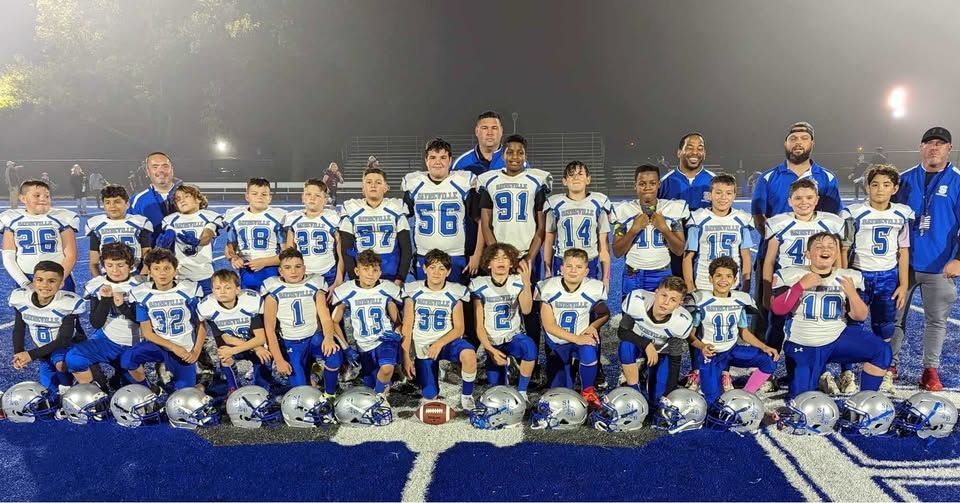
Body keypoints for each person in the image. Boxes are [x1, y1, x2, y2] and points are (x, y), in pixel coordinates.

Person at [769, 232, 891, 398]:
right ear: (808, 254)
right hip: (804, 342)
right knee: (801, 400)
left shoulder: (848, 277)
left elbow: (860, 316)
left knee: (881, 350)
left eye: (830, 247)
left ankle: (865, 400)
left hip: (837, 337)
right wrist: (800, 286)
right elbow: (778, 309)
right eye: (819, 247)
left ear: (836, 253)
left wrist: (852, 295)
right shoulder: (791, 274)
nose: (825, 250)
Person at [890, 127, 960, 391]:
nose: (934, 147)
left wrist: (959, 259)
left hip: (940, 265)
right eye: (929, 143)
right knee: (894, 317)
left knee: (936, 320)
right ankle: (889, 364)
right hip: (903, 264)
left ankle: (930, 369)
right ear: (920, 147)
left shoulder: (957, 180)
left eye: (940, 144)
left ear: (948, 149)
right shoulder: (904, 180)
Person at [761, 179, 844, 392]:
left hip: (819, 283)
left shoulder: (830, 223)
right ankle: (768, 370)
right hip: (787, 282)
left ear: (817, 200)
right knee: (776, 327)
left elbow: (836, 257)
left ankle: (819, 371)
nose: (803, 202)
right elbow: (769, 260)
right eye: (798, 198)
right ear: (789, 201)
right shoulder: (780, 222)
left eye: (809, 197)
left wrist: (839, 281)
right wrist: (767, 289)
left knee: (818, 327)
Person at [478, 134, 552, 375]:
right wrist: (496, 253)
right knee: (496, 303)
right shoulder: (489, 181)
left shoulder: (536, 181)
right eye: (510, 152)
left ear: (526, 155)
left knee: (530, 309)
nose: (515, 156)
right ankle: (497, 355)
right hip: (500, 257)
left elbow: (541, 226)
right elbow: (486, 223)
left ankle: (530, 359)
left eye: (520, 152)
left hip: (525, 254)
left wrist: (529, 257)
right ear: (503, 155)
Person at [752, 122, 843, 312]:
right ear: (785, 144)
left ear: (812, 143)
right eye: (793, 139)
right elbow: (759, 217)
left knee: (813, 312)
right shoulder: (768, 177)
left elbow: (835, 220)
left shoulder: (827, 177)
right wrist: (780, 242)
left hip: (816, 261)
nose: (798, 143)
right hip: (776, 259)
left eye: (804, 138)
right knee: (768, 314)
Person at [840, 164, 913, 393]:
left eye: (886, 184)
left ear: (895, 188)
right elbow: (844, 248)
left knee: (884, 328)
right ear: (866, 187)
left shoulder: (901, 213)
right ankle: (847, 373)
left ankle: (881, 369)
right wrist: (844, 279)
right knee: (852, 326)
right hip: (859, 274)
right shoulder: (854, 212)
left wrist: (903, 284)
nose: (880, 189)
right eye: (874, 184)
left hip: (888, 276)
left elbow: (904, 250)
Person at [688, 256, 778, 405]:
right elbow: (690, 335)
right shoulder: (701, 300)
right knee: (713, 401)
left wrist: (764, 346)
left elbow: (743, 332)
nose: (723, 280)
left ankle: (746, 395)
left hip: (731, 350)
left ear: (735, 279)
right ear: (710, 279)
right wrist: (702, 347)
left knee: (769, 360)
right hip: (711, 355)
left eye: (728, 276)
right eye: (718, 275)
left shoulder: (738, 300)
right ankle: (702, 376)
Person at [400, 249, 478, 410]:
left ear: (448, 272)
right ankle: (433, 374)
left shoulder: (455, 292)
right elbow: (407, 327)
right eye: (433, 267)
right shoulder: (413, 291)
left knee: (469, 355)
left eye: (442, 268)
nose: (437, 272)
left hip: (448, 342)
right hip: (423, 345)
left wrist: (439, 343)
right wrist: (406, 357)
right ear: (424, 269)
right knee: (429, 394)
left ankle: (467, 396)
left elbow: (459, 328)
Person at [402, 137, 484, 284]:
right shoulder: (414, 183)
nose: (437, 162)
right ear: (426, 160)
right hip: (424, 256)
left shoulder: (464, 182)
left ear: (450, 160)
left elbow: (481, 221)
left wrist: (477, 255)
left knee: (457, 301)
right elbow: (401, 221)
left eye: (443, 157)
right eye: (433, 157)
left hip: (456, 255)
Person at [122, 249, 205, 392]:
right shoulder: (142, 294)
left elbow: (201, 324)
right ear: (149, 272)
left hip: (184, 347)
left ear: (175, 271)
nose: (162, 273)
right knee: (127, 359)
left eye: (167, 268)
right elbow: (147, 333)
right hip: (159, 346)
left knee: (184, 392)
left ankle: (202, 383)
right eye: (157, 268)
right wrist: (173, 347)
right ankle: (148, 389)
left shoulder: (188, 290)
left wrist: (196, 351)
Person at [537, 248, 609, 408]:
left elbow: (604, 313)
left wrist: (593, 326)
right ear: (561, 268)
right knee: (560, 394)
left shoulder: (593, 288)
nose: (573, 271)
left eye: (578, 267)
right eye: (569, 266)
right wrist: (577, 338)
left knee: (589, 349)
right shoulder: (548, 287)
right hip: (557, 342)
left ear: (586, 271)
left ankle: (588, 391)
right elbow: (548, 325)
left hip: (580, 340)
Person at [262, 249, 341, 394]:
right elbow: (269, 329)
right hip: (291, 343)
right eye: (287, 267)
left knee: (334, 357)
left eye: (298, 266)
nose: (293, 271)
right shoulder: (273, 290)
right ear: (280, 271)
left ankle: (330, 394)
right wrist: (279, 359)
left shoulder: (314, 284)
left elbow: (325, 318)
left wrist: (329, 338)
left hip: (313, 338)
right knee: (302, 390)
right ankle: (315, 375)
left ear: (304, 268)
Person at [67, 243, 141, 389]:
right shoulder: (97, 284)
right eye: (110, 265)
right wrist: (106, 300)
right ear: (103, 265)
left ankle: (121, 373)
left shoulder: (141, 285)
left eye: (120, 265)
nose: (115, 270)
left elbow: (143, 321)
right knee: (74, 358)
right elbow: (96, 323)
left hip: (134, 344)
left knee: (133, 388)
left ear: (130, 265)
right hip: (108, 340)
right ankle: (96, 385)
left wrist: (122, 306)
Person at [9, 261, 85, 401]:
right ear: (33, 281)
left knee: (61, 364)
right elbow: (19, 328)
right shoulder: (21, 299)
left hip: (65, 349)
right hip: (43, 353)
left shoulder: (67, 303)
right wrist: (18, 352)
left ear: (61, 284)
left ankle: (78, 380)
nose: (44, 285)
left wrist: (30, 355)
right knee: (49, 393)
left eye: (51, 281)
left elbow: (64, 340)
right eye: (40, 280)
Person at [469, 243, 537, 400]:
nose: (501, 261)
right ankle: (505, 367)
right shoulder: (479, 284)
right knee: (497, 390)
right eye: (496, 258)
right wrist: (490, 350)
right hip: (491, 340)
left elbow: (526, 310)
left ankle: (522, 392)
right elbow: (479, 325)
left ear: (512, 263)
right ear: (488, 263)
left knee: (529, 347)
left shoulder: (517, 281)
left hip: (513, 336)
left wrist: (526, 283)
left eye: (505, 258)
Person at [331, 250, 403, 396]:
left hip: (384, 340)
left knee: (387, 367)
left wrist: (397, 333)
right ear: (357, 271)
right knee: (370, 384)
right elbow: (333, 322)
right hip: (364, 346)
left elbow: (398, 320)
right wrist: (346, 348)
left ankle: (379, 400)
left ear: (380, 272)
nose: (371, 274)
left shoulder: (387, 289)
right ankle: (385, 386)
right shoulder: (347, 290)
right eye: (366, 269)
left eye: (375, 270)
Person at [612, 164, 689, 297]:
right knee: (631, 316)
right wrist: (633, 230)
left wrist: (664, 229)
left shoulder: (672, 208)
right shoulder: (624, 210)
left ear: (659, 184)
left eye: (652, 183)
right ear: (635, 185)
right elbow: (617, 252)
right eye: (642, 183)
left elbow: (679, 250)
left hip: (661, 274)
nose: (647, 187)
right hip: (633, 274)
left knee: (661, 315)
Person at [618, 276, 694, 403]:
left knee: (657, 399)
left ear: (679, 304)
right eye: (664, 295)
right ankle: (634, 391)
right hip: (638, 347)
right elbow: (622, 332)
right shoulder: (638, 301)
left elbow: (675, 360)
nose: (666, 302)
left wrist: (669, 393)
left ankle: (645, 377)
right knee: (626, 346)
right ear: (656, 292)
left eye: (673, 300)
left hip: (662, 354)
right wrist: (647, 344)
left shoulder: (681, 321)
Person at [198, 269, 273, 392]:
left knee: (264, 356)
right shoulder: (208, 307)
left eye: (227, 288)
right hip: (238, 344)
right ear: (212, 290)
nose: (222, 291)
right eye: (217, 288)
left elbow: (260, 337)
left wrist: (257, 348)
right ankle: (233, 388)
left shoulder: (249, 302)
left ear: (237, 289)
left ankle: (262, 387)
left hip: (255, 343)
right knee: (224, 356)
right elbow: (225, 337)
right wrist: (246, 348)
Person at [543, 161, 613, 288]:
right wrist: (547, 271)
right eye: (571, 175)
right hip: (563, 262)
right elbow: (549, 241)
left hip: (589, 262)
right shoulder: (555, 204)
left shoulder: (599, 203)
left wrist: (606, 278)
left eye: (580, 174)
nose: (576, 178)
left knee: (589, 304)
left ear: (588, 179)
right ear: (564, 181)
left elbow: (604, 246)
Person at [1, 180, 80, 291]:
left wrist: (58, 279)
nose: (43, 199)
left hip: (59, 276)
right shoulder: (12, 219)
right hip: (27, 277)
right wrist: (24, 283)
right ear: (23, 198)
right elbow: (8, 256)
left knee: (62, 307)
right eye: (37, 195)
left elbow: (71, 255)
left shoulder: (62, 217)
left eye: (47, 196)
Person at [339, 167, 412, 284]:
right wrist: (354, 278)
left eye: (378, 182)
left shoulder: (396, 207)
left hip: (391, 274)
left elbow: (406, 248)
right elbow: (346, 249)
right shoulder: (351, 208)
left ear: (386, 187)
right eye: (369, 182)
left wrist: (401, 277)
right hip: (363, 274)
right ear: (363, 188)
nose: (373, 185)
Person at [683, 174, 753, 293]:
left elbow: (746, 256)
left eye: (728, 193)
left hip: (732, 284)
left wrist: (746, 285)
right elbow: (687, 257)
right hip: (704, 284)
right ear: (710, 195)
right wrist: (690, 286)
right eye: (718, 192)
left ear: (734, 196)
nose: (723, 197)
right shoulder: (698, 218)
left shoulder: (741, 219)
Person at [223, 177, 288, 291]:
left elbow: (287, 253)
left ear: (270, 198)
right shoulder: (235, 216)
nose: (259, 197)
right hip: (247, 269)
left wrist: (264, 262)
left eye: (264, 194)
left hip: (272, 268)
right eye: (254, 193)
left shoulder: (279, 216)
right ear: (247, 196)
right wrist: (234, 258)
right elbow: (230, 245)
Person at [156, 184, 221, 296]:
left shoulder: (208, 216)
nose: (182, 201)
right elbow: (169, 233)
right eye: (178, 199)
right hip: (181, 275)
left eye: (186, 196)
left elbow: (207, 235)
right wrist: (164, 244)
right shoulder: (171, 220)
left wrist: (198, 242)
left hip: (204, 273)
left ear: (198, 199)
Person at [283, 179, 343, 287]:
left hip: (329, 273)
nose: (312, 198)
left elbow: (341, 254)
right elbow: (289, 251)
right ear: (303, 197)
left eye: (317, 195)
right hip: (302, 274)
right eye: (308, 194)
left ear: (325, 199)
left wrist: (338, 280)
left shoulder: (333, 218)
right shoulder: (294, 218)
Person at [85, 185, 153, 277]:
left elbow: (148, 258)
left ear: (127, 204)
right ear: (103, 205)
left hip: (135, 274)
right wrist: (99, 281)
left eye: (117, 202)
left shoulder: (139, 223)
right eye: (107, 202)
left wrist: (141, 279)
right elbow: (94, 262)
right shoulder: (96, 225)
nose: (112, 206)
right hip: (109, 275)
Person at [129, 152, 181, 247]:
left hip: (186, 259)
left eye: (165, 166)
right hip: (154, 260)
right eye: (155, 167)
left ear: (172, 170)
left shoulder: (190, 195)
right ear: (148, 172)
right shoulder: (137, 201)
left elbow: (205, 225)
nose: (161, 170)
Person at [659, 132, 715, 211]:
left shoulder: (715, 181)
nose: (695, 152)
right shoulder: (664, 183)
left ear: (704, 154)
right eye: (689, 148)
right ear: (679, 153)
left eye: (700, 149)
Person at [452, 110, 507, 176]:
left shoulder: (516, 162)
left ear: (501, 131)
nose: (490, 133)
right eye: (485, 128)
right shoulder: (460, 164)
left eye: (494, 128)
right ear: (477, 131)